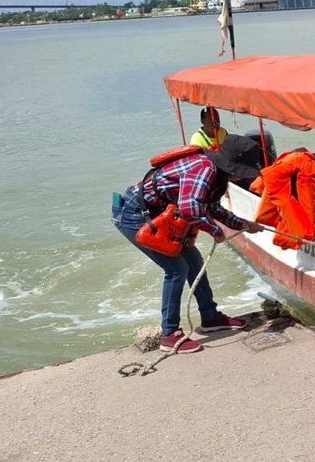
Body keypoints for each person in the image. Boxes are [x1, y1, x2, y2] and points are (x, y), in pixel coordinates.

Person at [112, 145, 265, 354]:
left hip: (160, 214)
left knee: (194, 262)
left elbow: (211, 208)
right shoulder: (205, 169)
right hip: (135, 215)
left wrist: (244, 224)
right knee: (176, 269)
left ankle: (210, 317)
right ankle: (169, 334)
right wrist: (215, 231)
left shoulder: (214, 172)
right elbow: (189, 209)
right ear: (234, 169)